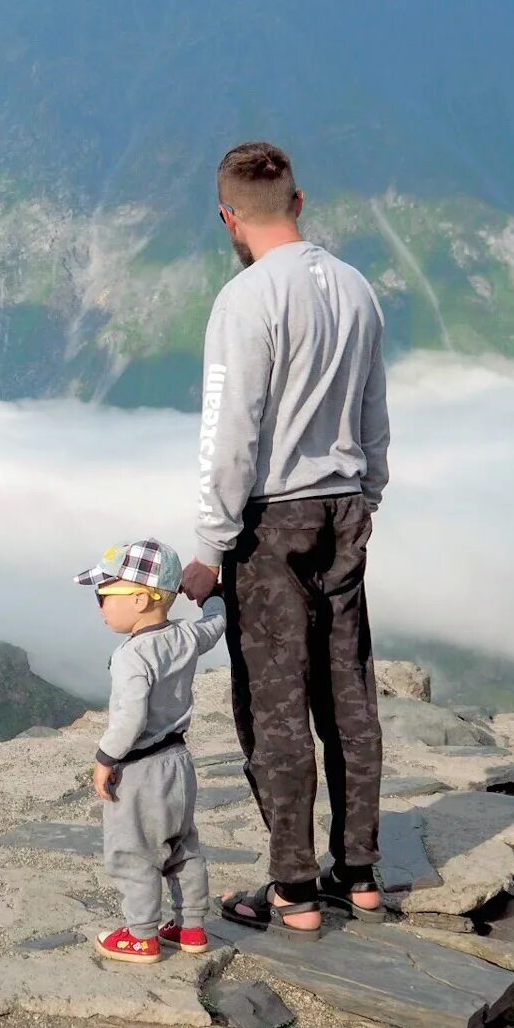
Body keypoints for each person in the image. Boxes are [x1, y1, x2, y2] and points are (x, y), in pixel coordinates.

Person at [177, 141, 391, 941]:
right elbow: (374, 410)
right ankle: (360, 873)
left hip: (272, 521)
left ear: (229, 217)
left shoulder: (246, 299)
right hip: (344, 509)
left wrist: (210, 544)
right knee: (349, 693)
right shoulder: (359, 290)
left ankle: (293, 890)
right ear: (299, 203)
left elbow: (230, 431)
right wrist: (367, 492)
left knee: (275, 704)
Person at [73, 538, 227, 963]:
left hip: (139, 769)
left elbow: (129, 718)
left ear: (140, 598)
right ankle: (192, 927)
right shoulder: (185, 636)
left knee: (134, 851)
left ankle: (142, 935)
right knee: (182, 846)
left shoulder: (131, 655)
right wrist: (214, 595)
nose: (100, 605)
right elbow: (215, 623)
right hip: (178, 763)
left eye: (104, 595)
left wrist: (105, 758)